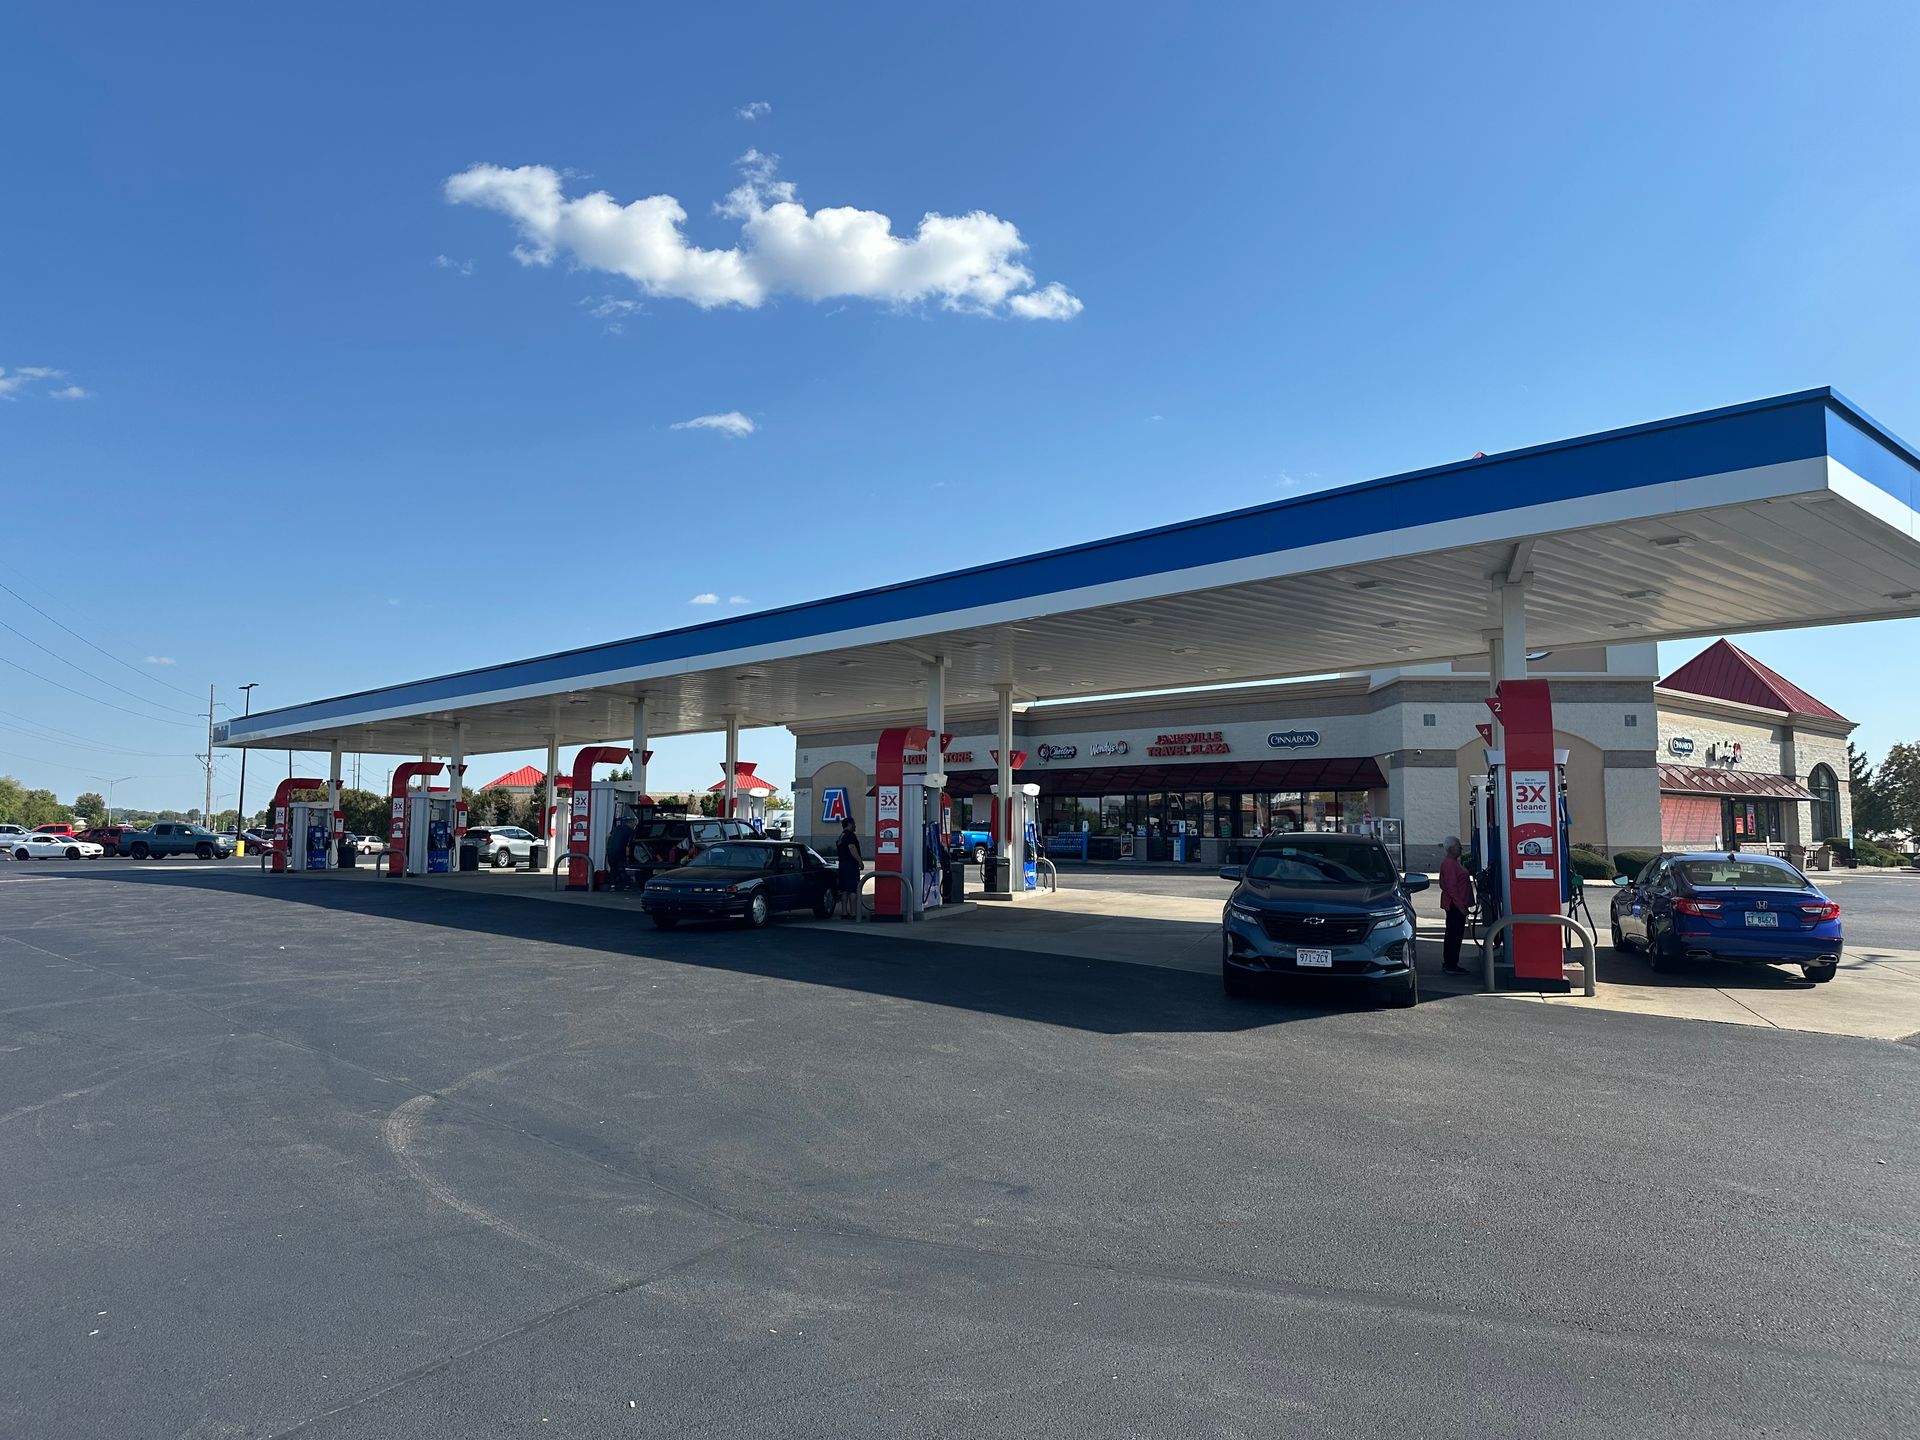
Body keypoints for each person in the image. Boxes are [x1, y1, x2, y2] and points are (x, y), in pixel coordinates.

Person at [1439, 836, 1472, 974]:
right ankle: (1451, 964)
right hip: (1454, 905)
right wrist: (1461, 906)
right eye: (1459, 847)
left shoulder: (1453, 862)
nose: (1461, 849)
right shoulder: (1449, 864)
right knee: (1454, 934)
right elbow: (1451, 887)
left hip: (1456, 904)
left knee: (1455, 934)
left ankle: (1451, 962)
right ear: (1451, 848)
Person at [834, 817, 863, 919]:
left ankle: (844, 912)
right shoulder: (850, 835)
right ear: (850, 824)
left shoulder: (841, 836)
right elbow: (851, 847)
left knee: (844, 890)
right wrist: (859, 861)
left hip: (842, 865)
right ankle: (854, 913)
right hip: (851, 865)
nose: (855, 826)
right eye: (854, 823)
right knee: (853, 889)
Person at [605, 812, 634, 891]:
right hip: (620, 850)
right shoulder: (630, 830)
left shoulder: (617, 828)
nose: (633, 825)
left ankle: (612, 886)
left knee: (613, 868)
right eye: (633, 823)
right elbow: (631, 843)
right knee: (622, 867)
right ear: (630, 823)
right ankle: (626, 885)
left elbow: (608, 837)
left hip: (610, 850)